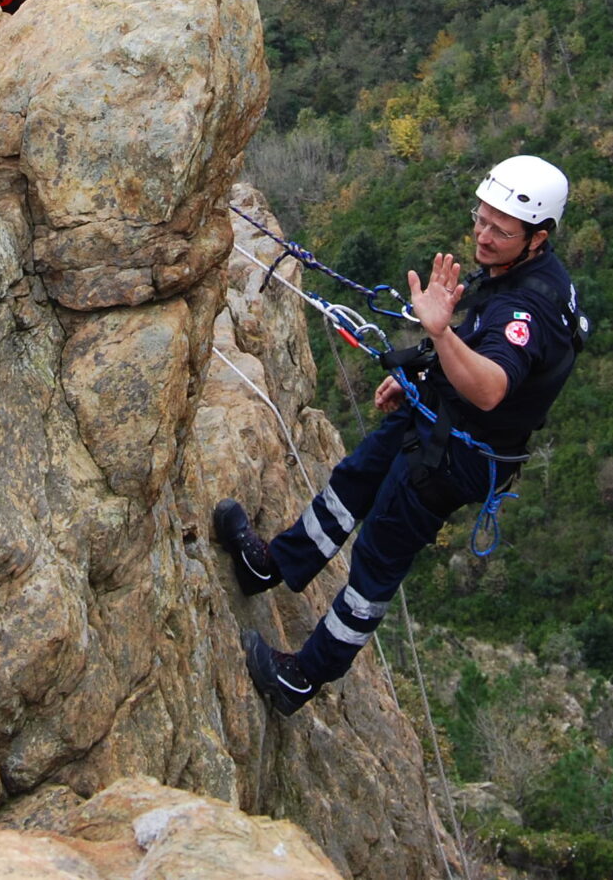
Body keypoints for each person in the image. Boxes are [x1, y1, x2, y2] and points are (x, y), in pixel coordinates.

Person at [214, 156, 584, 715]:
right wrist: (418, 369)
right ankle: (270, 565)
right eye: (480, 220)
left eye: (500, 230)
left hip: (454, 455)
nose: (483, 236)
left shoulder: (528, 307)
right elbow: (473, 349)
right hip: (436, 415)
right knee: (352, 483)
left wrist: (436, 329)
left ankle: (301, 678)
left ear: (539, 237)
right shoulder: (517, 272)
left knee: (376, 561)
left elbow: (489, 387)